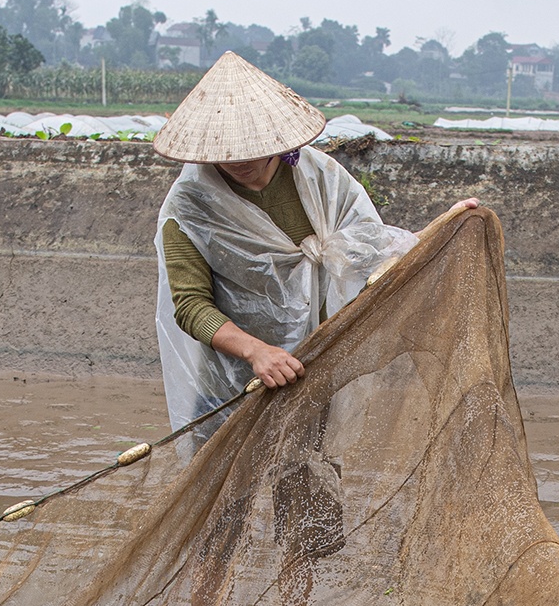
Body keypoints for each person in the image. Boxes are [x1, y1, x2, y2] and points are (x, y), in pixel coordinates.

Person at [150, 51, 471, 435]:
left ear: (275, 135)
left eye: (249, 146)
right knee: (226, 493)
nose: (237, 160)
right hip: (232, 380)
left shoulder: (319, 177)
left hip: (308, 366)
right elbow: (189, 305)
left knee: (306, 481)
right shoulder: (191, 203)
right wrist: (257, 352)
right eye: (224, 152)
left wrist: (426, 237)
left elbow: (365, 251)